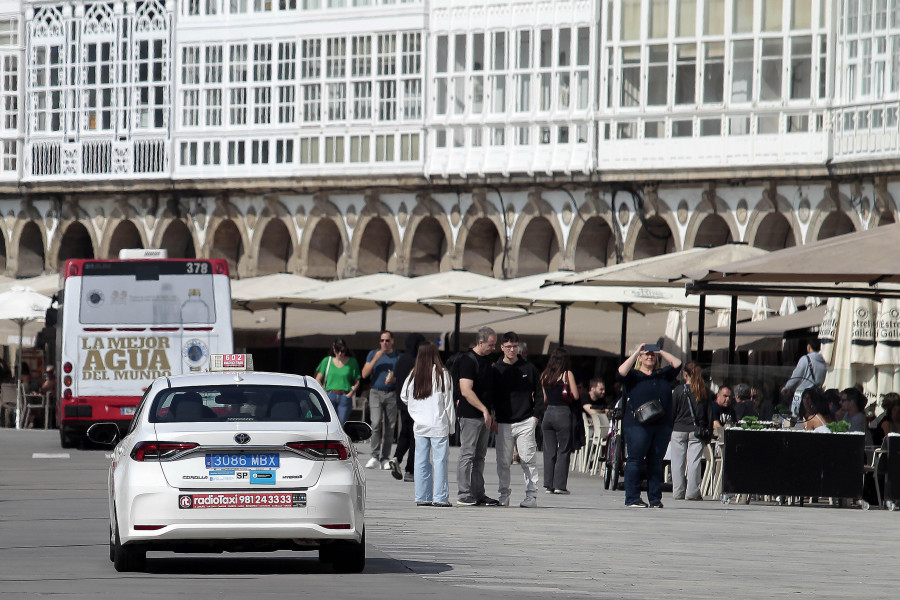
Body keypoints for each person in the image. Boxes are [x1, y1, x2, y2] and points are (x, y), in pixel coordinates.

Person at [617, 343, 682, 509]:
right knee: (635, 460)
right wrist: (637, 350)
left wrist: (660, 350)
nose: (649, 357)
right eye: (646, 354)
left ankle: (655, 498)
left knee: (656, 461)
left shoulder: (663, 374)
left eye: (652, 355)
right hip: (637, 424)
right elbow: (621, 371)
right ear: (640, 357)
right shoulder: (633, 375)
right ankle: (632, 498)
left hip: (661, 424)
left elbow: (677, 364)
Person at [400, 342, 455, 507]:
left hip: (420, 425)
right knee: (440, 462)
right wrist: (451, 426)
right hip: (438, 424)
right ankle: (440, 498)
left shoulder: (414, 374)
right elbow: (448, 403)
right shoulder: (442, 374)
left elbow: (404, 396)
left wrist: (416, 410)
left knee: (421, 461)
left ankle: (422, 496)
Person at [492, 331, 542, 508]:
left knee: (528, 459)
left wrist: (535, 417)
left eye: (515, 346)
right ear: (502, 347)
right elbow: (490, 395)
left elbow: (539, 393)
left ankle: (532, 495)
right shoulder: (495, 369)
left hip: (525, 420)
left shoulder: (529, 368)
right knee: (503, 461)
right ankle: (504, 494)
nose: (512, 350)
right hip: (503, 421)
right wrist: (492, 416)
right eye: (508, 346)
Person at [456, 327, 500, 507]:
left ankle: (478, 493)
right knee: (467, 454)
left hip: (484, 415)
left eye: (495, 344)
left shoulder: (488, 361)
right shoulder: (467, 360)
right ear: (480, 342)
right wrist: (483, 409)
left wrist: (491, 413)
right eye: (491, 344)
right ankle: (463, 493)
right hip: (470, 415)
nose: (494, 348)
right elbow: (466, 390)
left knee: (480, 456)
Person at [540, 347, 579, 495]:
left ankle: (548, 485)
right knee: (563, 450)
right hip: (563, 413)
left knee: (549, 451)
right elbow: (575, 395)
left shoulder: (544, 375)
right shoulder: (567, 374)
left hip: (548, 413)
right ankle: (559, 485)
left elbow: (543, 399)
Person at [669, 361, 709, 501]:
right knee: (694, 462)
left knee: (677, 462)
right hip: (696, 430)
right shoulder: (703, 390)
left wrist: (669, 429)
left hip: (678, 429)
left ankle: (678, 492)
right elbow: (707, 413)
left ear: (684, 374)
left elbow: (672, 412)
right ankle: (692, 493)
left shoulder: (678, 390)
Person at [390, 333, 425, 482]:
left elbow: (396, 379)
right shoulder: (418, 361)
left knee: (404, 433)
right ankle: (410, 470)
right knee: (414, 438)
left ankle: (397, 458)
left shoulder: (401, 359)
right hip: (416, 405)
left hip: (402, 404)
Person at [362, 330, 399, 470]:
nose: (385, 343)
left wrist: (394, 379)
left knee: (390, 427)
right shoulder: (373, 354)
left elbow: (402, 377)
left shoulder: (397, 357)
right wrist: (376, 359)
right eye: (382, 340)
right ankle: (374, 456)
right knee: (376, 422)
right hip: (375, 392)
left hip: (391, 393)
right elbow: (364, 374)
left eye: (387, 340)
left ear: (392, 341)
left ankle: (385, 458)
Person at [315, 338, 361, 425]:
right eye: (337, 350)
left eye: (342, 350)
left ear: (346, 349)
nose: (340, 353)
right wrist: (323, 392)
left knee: (342, 424)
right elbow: (317, 378)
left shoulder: (352, 362)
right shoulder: (327, 361)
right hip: (330, 395)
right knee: (330, 424)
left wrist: (351, 393)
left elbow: (357, 381)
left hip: (345, 396)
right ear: (333, 348)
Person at [781, 339, 826, 417]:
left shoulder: (805, 359)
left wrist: (787, 387)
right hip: (816, 395)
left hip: (802, 395)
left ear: (808, 347)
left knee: (797, 418)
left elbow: (796, 376)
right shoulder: (823, 361)